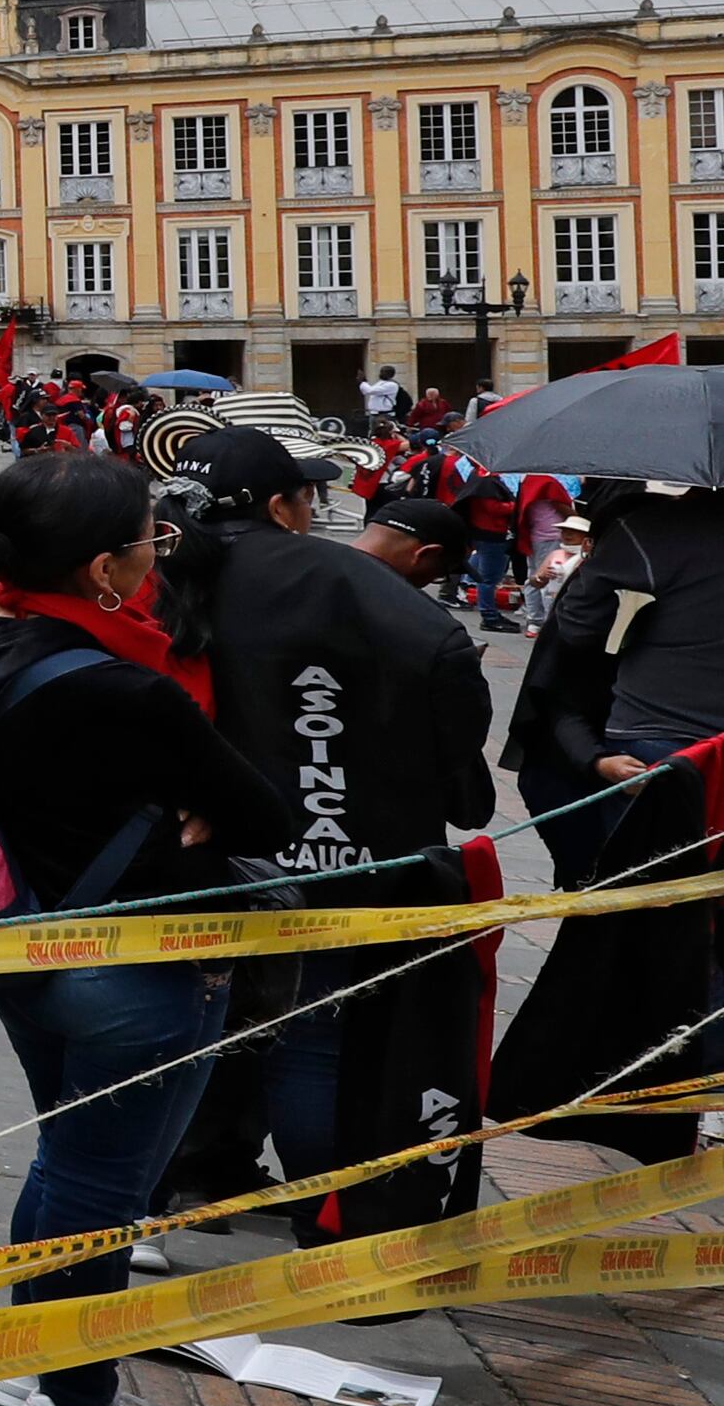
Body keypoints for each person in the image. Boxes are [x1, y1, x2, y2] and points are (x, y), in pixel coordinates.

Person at [0, 457, 305, 1406]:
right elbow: (267, 814)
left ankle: (35, 1360)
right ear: (100, 569)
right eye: (146, 542)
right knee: (101, 1186)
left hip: (24, 949)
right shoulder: (126, 688)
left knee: (65, 1163)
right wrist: (198, 801)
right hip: (137, 966)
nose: (155, 559)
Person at [172, 430, 495, 1241]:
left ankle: (194, 1177)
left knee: (201, 1020)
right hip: (348, 851)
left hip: (201, 852)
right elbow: (452, 687)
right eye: (308, 495)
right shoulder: (356, 583)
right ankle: (329, 1212)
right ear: (282, 506)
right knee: (313, 1031)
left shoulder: (161, 572)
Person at [495, 477, 724, 1162]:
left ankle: (641, 1090)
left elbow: (578, 630)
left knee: (648, 926)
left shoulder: (654, 530)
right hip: (686, 749)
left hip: (658, 747)